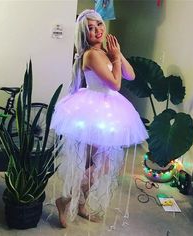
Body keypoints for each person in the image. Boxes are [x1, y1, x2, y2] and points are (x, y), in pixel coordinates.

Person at [50, 9, 148, 228]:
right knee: (99, 165)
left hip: (108, 111)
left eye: (99, 25)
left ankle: (80, 203)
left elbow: (130, 75)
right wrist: (114, 58)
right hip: (93, 110)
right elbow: (116, 84)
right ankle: (65, 201)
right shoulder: (91, 55)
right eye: (90, 28)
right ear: (84, 34)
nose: (96, 31)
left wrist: (118, 54)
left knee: (94, 164)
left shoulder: (104, 51)